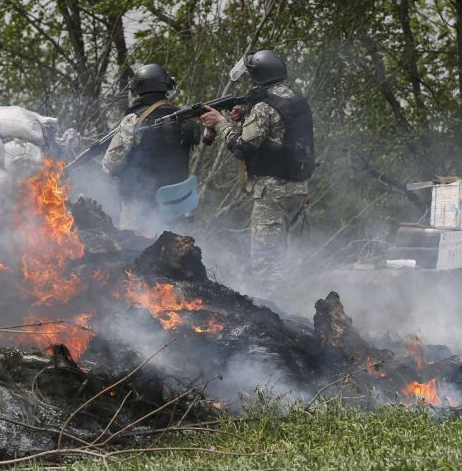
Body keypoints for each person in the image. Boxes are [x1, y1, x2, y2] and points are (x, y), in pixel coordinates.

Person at [199, 50, 314, 293]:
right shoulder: (296, 99)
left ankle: (274, 311)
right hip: (298, 188)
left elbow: (242, 147)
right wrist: (245, 111)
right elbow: (279, 129)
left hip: (272, 191)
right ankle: (293, 299)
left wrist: (221, 123)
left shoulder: (263, 107)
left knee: (265, 262)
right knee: (287, 256)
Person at [102, 64, 198, 230]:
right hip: (176, 205)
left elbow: (111, 164)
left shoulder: (134, 119)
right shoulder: (185, 118)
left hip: (141, 208)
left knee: (134, 253)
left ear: (139, 88)